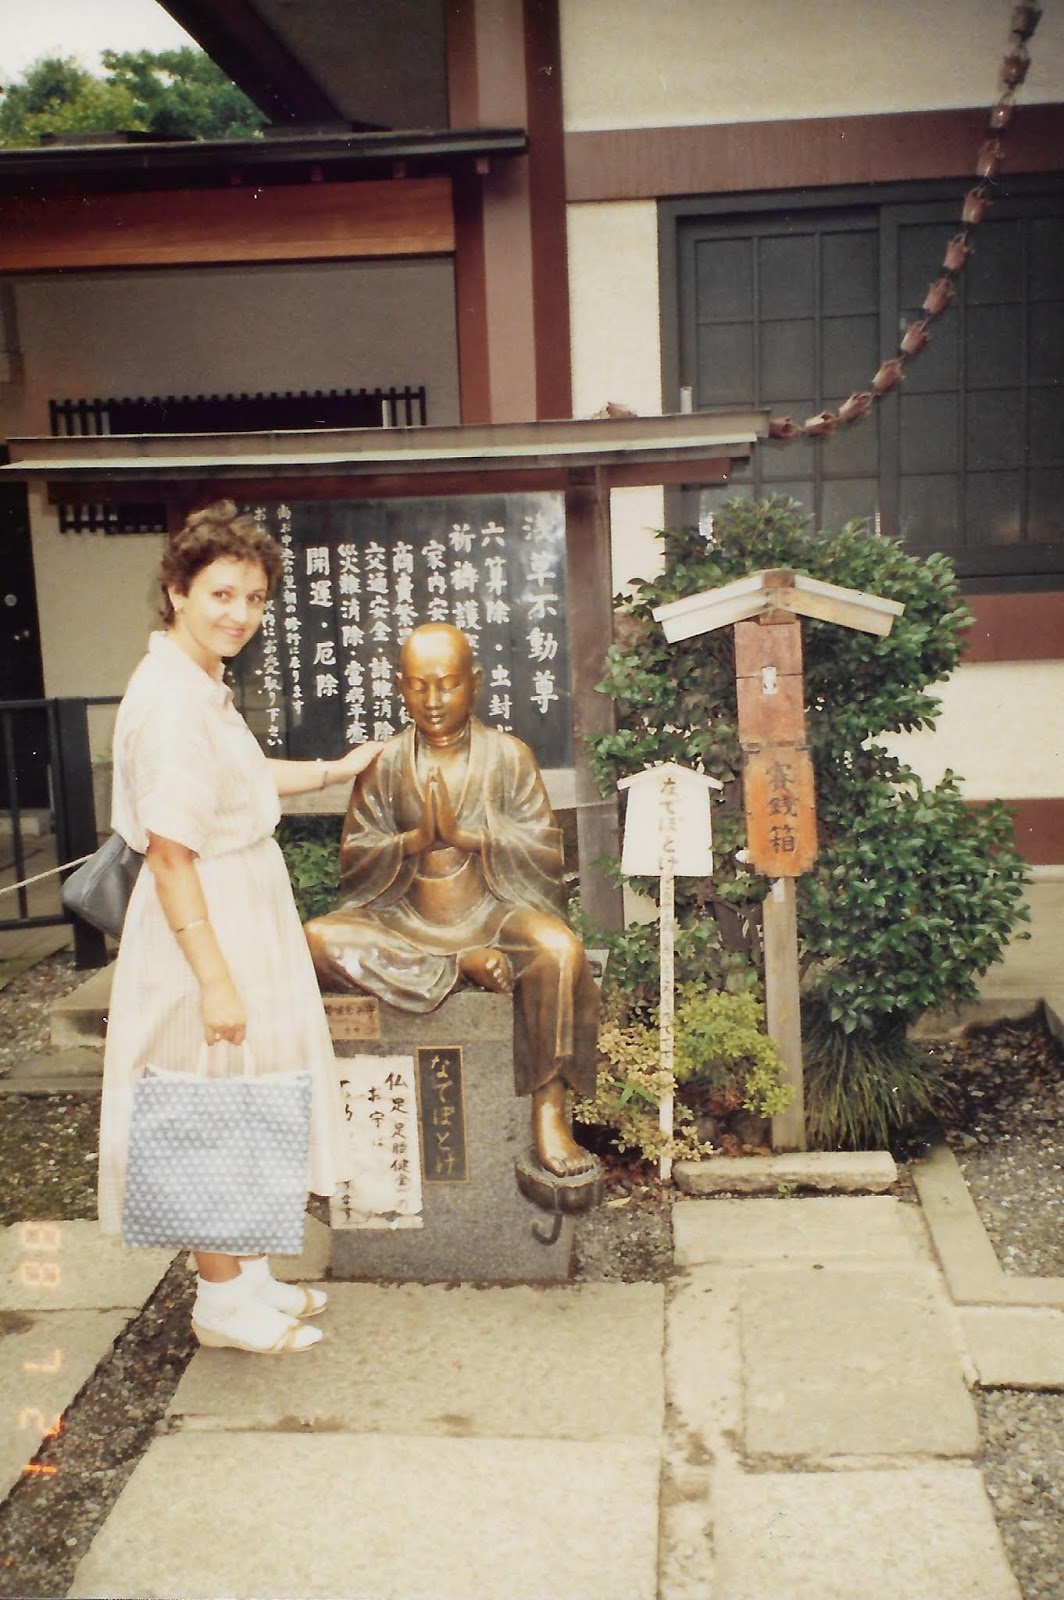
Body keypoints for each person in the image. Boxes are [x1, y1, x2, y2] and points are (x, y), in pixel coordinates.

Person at [98, 501, 381, 1355]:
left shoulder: (197, 685)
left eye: (254, 598)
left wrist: (335, 769)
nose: (240, 614)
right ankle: (220, 1302)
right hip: (202, 919)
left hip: (236, 904)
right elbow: (171, 853)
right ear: (178, 592)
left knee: (247, 1094)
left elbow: (242, 778)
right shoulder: (172, 702)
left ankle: (247, 1279)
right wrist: (215, 979)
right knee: (208, 1104)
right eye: (221, 593)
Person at [304, 622, 600, 1179]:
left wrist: (470, 837)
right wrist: (413, 842)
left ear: (475, 683)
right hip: (405, 917)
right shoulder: (385, 763)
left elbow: (542, 847)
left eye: (447, 684)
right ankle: (457, 965)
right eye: (419, 686)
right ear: (400, 686)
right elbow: (357, 854)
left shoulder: (508, 756)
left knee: (559, 952)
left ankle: (549, 1109)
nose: (433, 700)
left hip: (493, 913)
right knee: (315, 940)